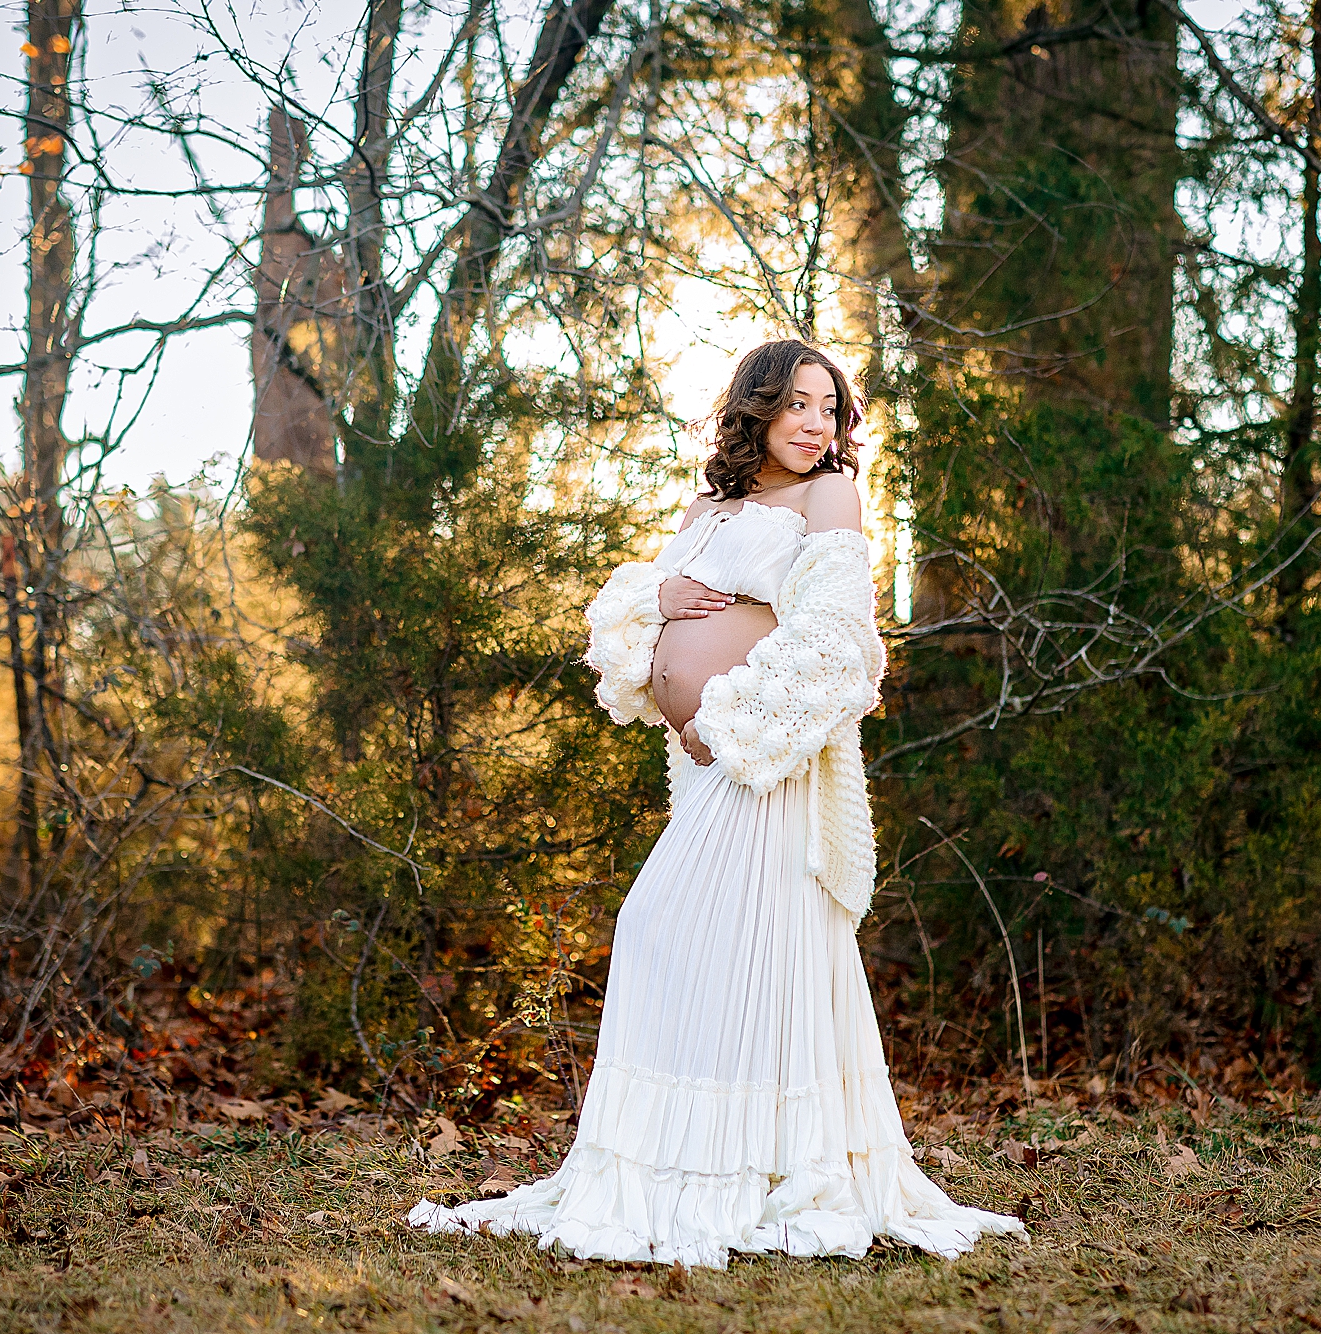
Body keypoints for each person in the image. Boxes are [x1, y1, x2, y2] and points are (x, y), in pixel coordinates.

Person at [407, 340, 1024, 1268]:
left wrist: (731, 720)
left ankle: (743, 1169)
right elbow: (632, 620)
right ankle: (673, 1163)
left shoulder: (829, 497)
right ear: (757, 407)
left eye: (831, 408)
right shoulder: (708, 507)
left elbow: (837, 640)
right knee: (692, 944)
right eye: (799, 405)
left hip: (762, 767)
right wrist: (658, 595)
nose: (817, 424)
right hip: (706, 775)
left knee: (694, 935)